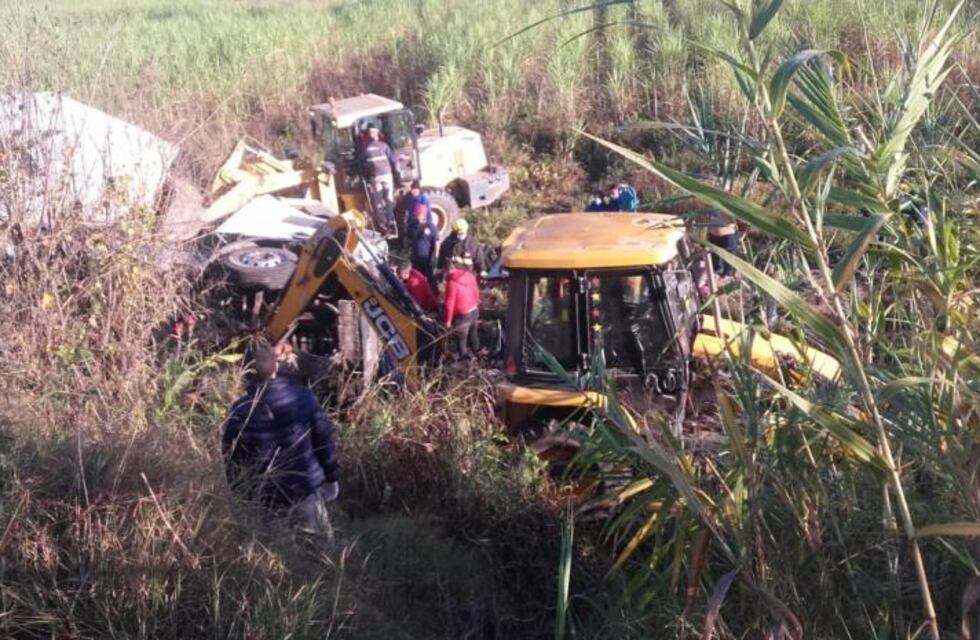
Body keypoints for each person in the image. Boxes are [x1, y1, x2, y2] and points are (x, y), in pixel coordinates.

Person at [222, 345, 339, 553]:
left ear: (246, 373)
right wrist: (331, 476)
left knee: (278, 554)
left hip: (266, 497)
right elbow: (323, 439)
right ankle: (327, 571)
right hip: (305, 489)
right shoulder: (304, 398)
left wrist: (242, 494)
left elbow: (232, 457)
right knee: (322, 551)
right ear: (276, 367)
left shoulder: (240, 411)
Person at [360, 125, 398, 233]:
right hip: (387, 175)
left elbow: (362, 164)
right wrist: (400, 157)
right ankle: (390, 221)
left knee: (378, 202)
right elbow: (392, 159)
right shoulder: (384, 146)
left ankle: (382, 225)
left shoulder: (366, 149)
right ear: (377, 135)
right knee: (389, 199)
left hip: (375, 177)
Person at [443, 256, 481, 358]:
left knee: (462, 338)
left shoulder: (452, 283)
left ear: (449, 269)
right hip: (474, 309)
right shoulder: (469, 275)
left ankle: (464, 359)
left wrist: (448, 320)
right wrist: (476, 303)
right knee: (473, 333)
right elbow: (476, 291)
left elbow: (450, 302)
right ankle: (478, 353)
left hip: (463, 314)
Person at [405, 202, 440, 283]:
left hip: (427, 259)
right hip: (415, 258)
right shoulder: (412, 225)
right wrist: (406, 251)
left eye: (419, 214)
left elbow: (437, 244)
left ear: (424, 214)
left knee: (430, 279)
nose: (417, 216)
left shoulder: (431, 227)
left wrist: (435, 259)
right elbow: (407, 239)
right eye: (416, 214)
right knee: (416, 278)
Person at [706, 207, 738, 278]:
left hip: (727, 237)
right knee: (716, 268)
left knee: (728, 270)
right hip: (713, 236)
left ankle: (726, 276)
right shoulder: (712, 204)